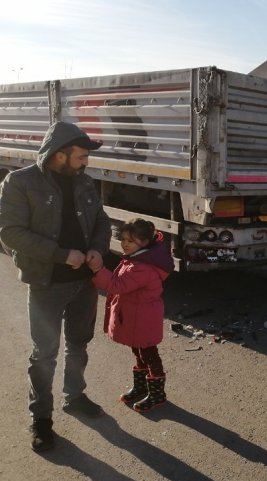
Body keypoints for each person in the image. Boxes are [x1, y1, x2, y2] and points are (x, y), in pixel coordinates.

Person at [0, 121, 111, 452]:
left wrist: (97, 249)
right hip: (46, 284)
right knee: (44, 355)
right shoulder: (20, 183)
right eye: (80, 156)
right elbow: (9, 232)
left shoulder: (85, 182)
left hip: (84, 283)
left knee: (79, 344)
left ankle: (74, 397)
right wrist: (63, 255)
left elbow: (102, 222)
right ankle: (41, 420)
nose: (85, 162)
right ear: (60, 155)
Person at [88, 218, 174, 412]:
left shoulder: (142, 267)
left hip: (143, 319)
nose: (125, 244)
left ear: (144, 242)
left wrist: (97, 270)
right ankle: (142, 386)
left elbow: (116, 285)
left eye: (130, 240)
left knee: (149, 354)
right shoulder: (138, 259)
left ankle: (157, 394)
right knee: (138, 351)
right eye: (124, 239)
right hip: (136, 317)